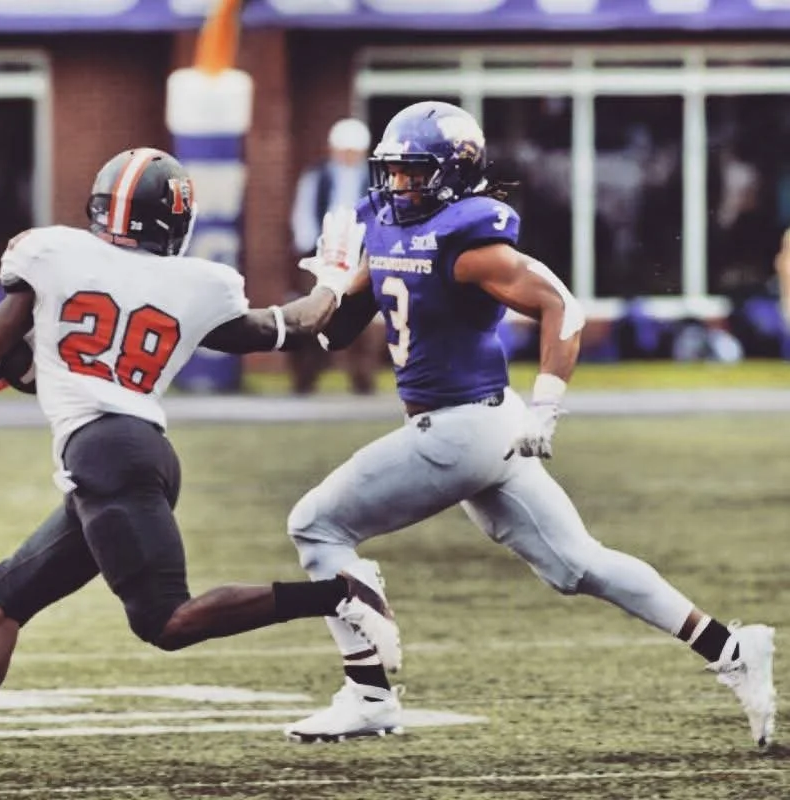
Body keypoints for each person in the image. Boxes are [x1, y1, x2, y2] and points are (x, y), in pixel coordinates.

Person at [282, 102, 777, 746]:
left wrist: (548, 401)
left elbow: (561, 304)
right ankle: (732, 645)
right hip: (482, 430)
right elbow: (339, 331)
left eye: (411, 173)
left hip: (459, 431)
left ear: (452, 175)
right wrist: (330, 283)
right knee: (578, 567)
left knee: (316, 525)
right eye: (392, 172)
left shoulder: (469, 241)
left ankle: (369, 694)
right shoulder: (386, 225)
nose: (396, 186)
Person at [0, 147, 400, 694]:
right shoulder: (194, 286)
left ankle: (340, 594)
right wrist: (331, 279)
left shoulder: (50, 251)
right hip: (128, 455)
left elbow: (2, 343)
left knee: (167, 621)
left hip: (107, 460)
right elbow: (294, 324)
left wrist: (10, 358)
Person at [289, 118, 382, 395]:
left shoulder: (374, 179)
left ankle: (363, 379)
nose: (348, 156)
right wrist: (309, 249)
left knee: (363, 317)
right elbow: (303, 213)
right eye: (343, 150)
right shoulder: (317, 176)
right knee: (314, 315)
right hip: (324, 254)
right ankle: (305, 378)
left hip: (364, 255)